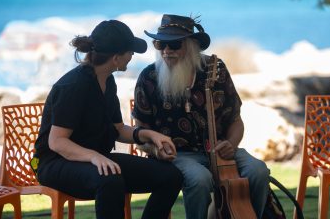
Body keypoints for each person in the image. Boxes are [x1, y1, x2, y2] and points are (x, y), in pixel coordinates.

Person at [32, 19, 183, 219]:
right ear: (116, 58)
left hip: (96, 160)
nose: (132, 56)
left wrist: (150, 135)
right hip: (55, 163)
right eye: (130, 52)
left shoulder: (108, 81)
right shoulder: (74, 86)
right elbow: (57, 142)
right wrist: (95, 157)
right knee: (110, 179)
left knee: (170, 176)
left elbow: (119, 130)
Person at [132, 14, 270, 219]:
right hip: (177, 155)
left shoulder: (216, 69)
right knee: (199, 179)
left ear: (191, 46)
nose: (166, 52)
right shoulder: (148, 77)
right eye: (160, 44)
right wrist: (155, 149)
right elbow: (139, 128)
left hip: (220, 149)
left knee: (258, 171)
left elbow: (235, 119)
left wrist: (231, 143)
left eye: (174, 44)